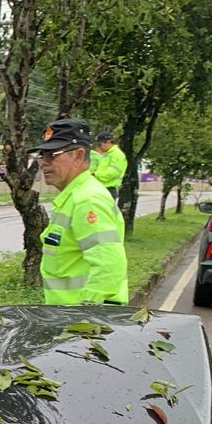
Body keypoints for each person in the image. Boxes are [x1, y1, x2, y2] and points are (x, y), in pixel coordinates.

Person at [34, 118, 127, 305]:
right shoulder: (74, 197)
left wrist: (85, 319)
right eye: (42, 155)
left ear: (78, 155)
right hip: (68, 318)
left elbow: (108, 266)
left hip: (82, 323)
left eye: (52, 155)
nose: (44, 162)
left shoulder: (87, 200)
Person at [89, 128, 128, 199]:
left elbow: (112, 173)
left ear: (108, 142)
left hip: (109, 189)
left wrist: (95, 174)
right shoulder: (107, 154)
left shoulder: (117, 154)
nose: (99, 147)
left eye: (100, 144)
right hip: (102, 188)